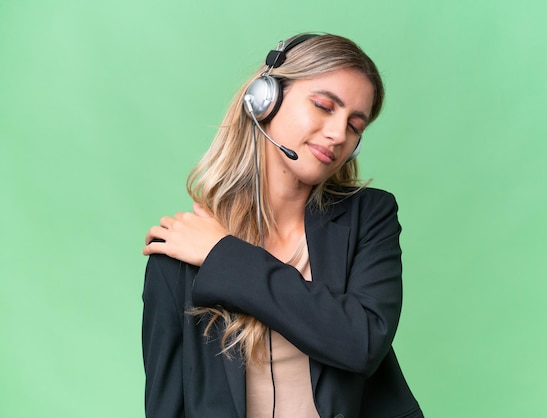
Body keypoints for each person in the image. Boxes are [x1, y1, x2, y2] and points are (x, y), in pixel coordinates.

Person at [141, 33, 424, 418]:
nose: (339, 134)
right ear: (265, 100)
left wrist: (226, 257)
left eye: (355, 126)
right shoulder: (178, 252)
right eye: (324, 106)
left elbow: (361, 342)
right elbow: (166, 404)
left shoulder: (370, 217)